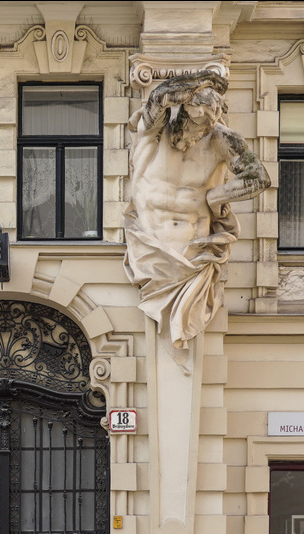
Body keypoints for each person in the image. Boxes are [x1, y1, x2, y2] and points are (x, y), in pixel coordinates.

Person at [124, 69, 271, 356]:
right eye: (197, 119)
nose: (201, 129)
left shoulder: (218, 139)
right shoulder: (154, 132)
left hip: (194, 257)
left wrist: (217, 196)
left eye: (208, 123)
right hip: (152, 254)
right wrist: (206, 81)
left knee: (184, 349)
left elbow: (259, 178)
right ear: (183, 112)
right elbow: (158, 97)